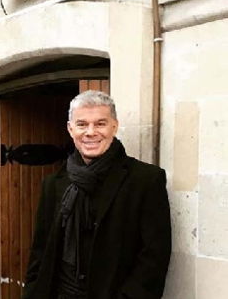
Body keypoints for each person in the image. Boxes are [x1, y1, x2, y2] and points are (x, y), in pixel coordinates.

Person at [22, 90, 171, 299]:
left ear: (114, 126)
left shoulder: (146, 179)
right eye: (82, 124)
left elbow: (154, 257)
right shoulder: (54, 183)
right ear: (70, 129)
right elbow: (40, 252)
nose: (90, 132)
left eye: (100, 124)